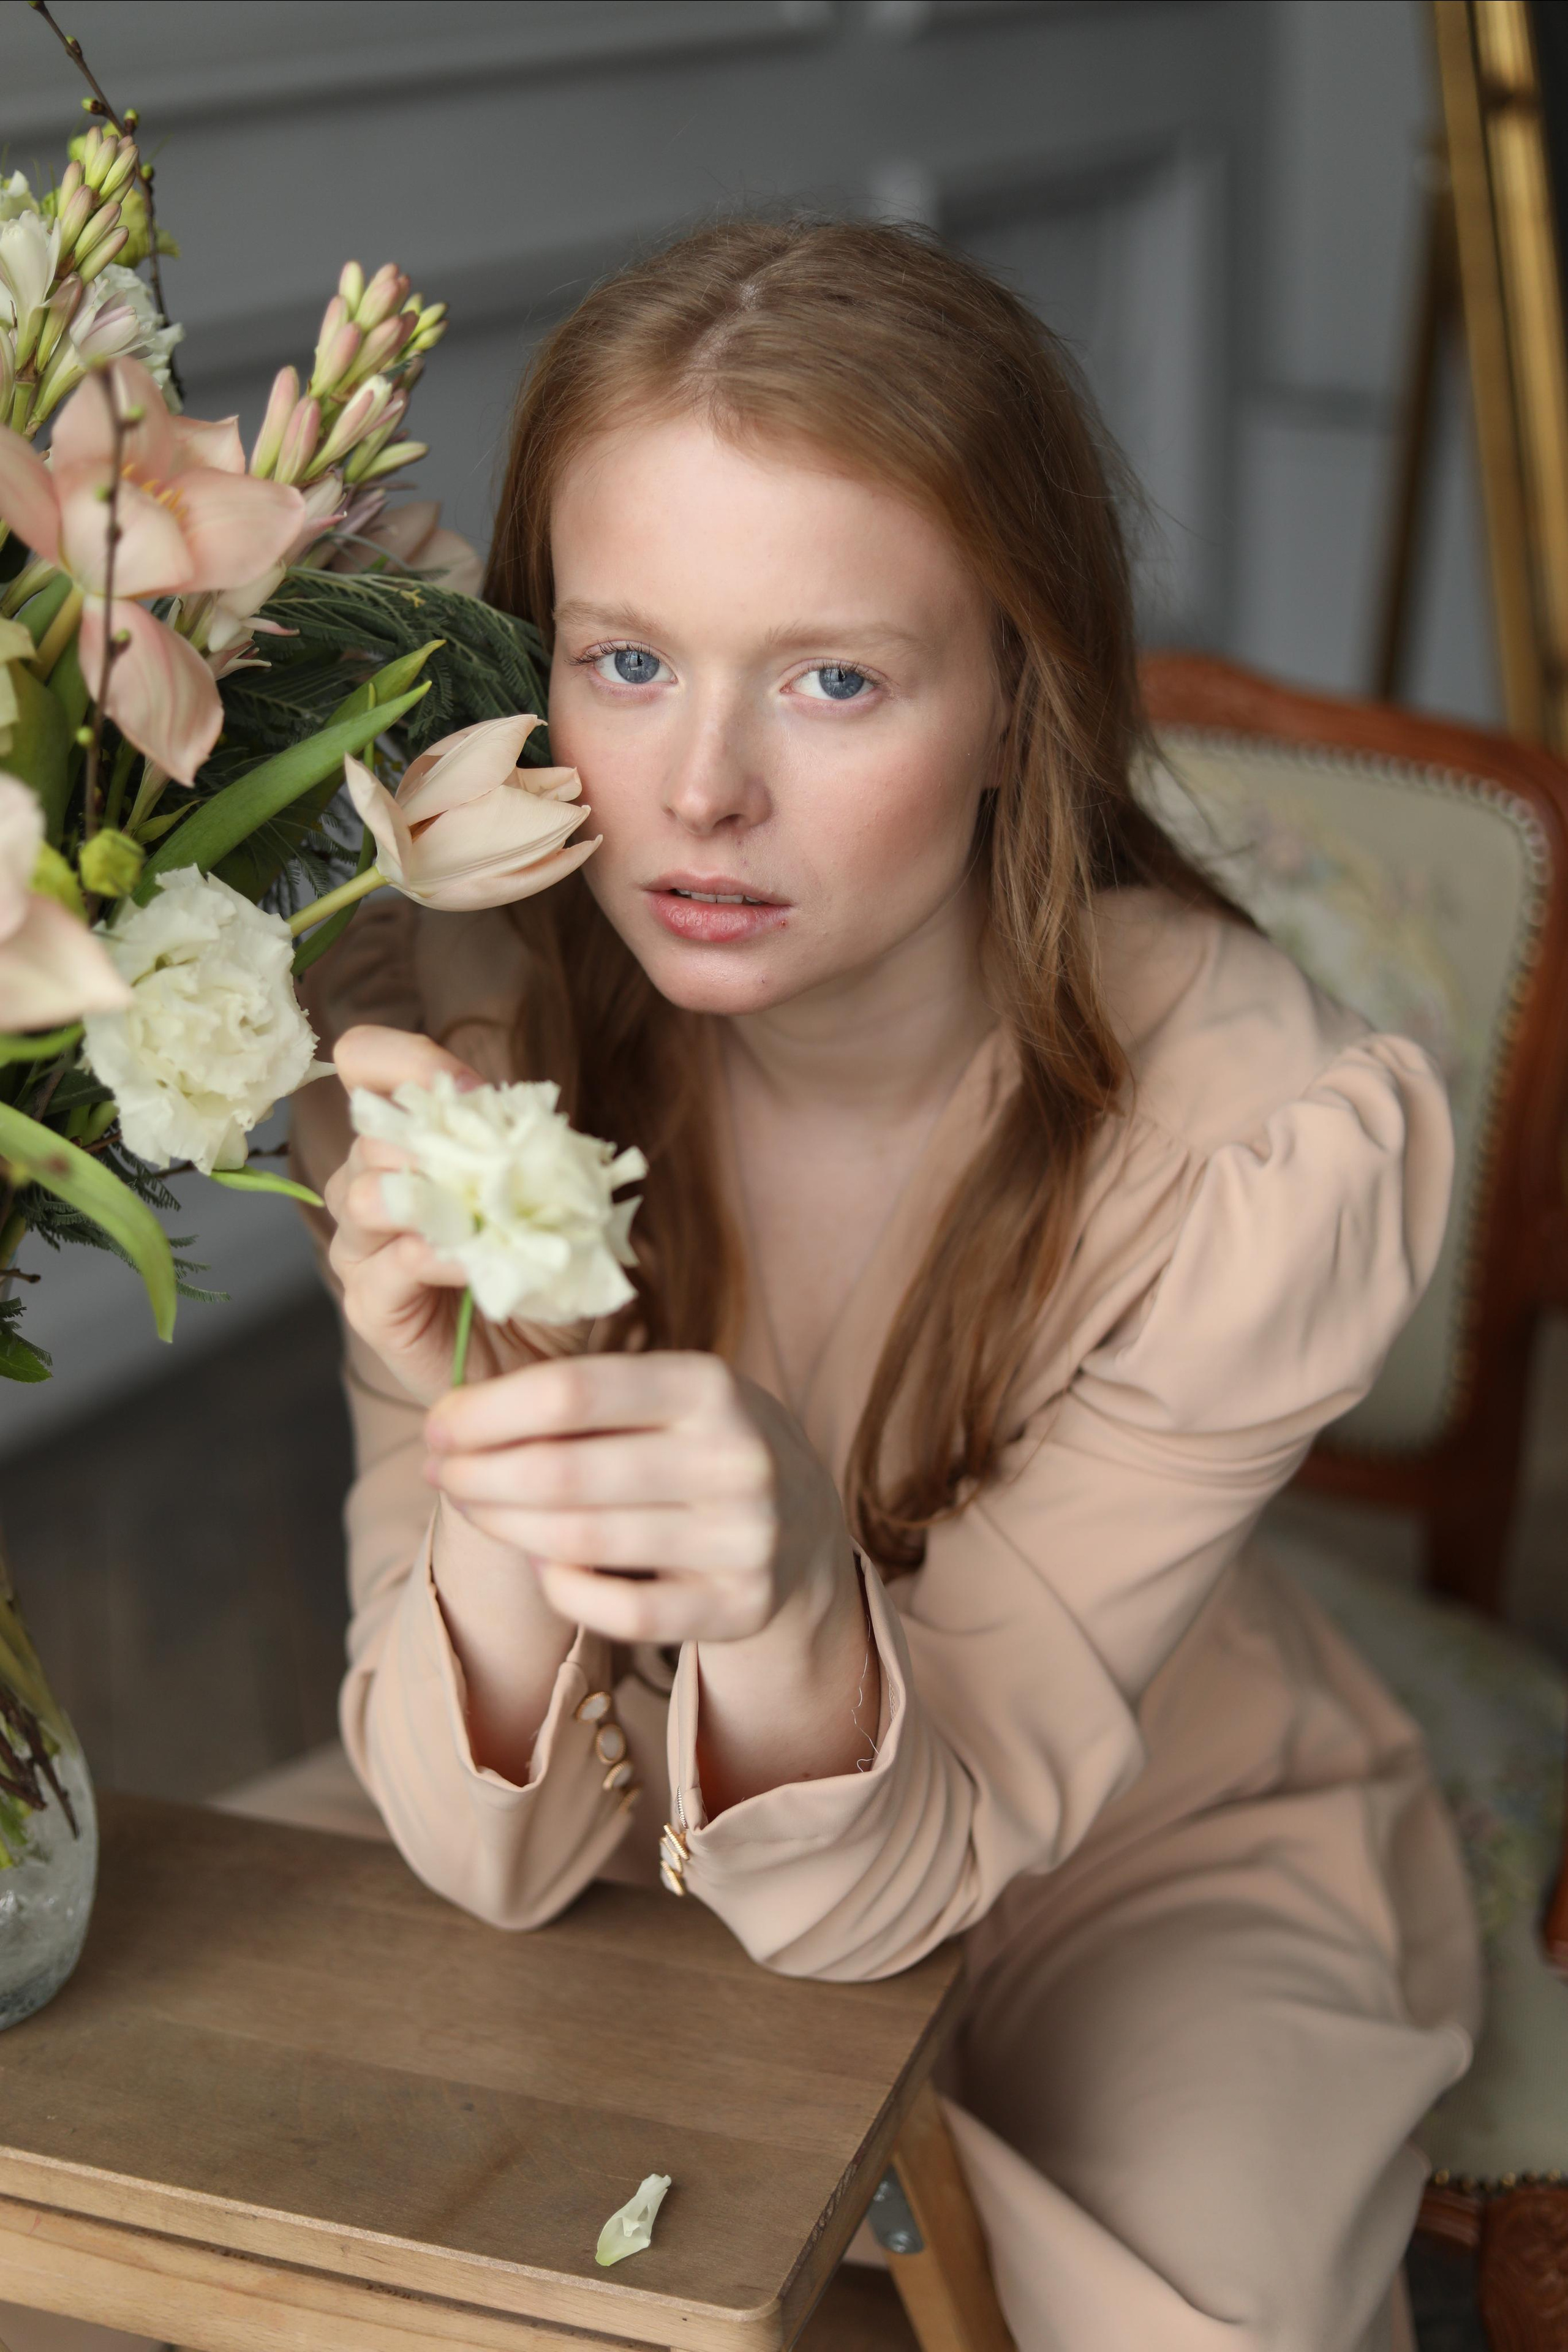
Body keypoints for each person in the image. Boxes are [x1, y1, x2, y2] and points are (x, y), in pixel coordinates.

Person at [296, 221, 1478, 2352]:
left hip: (1140, 1838)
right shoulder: (460, 1004)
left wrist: (790, 1595)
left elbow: (894, 1888)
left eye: (834, 677)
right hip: (629, 1816)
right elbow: (492, 1858)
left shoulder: (1251, 1134)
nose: (699, 790)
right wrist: (500, 1434)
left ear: (1023, 696)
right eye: (625, 659)